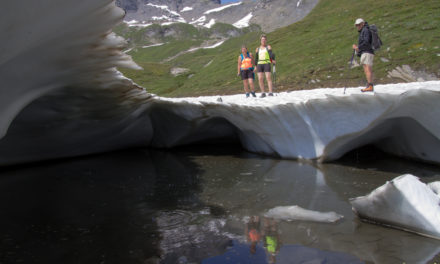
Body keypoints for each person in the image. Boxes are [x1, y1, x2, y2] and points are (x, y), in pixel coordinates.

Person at [352, 18, 375, 92]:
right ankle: (369, 85)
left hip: (367, 52)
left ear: (363, 23)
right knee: (366, 68)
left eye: (359, 25)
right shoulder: (364, 31)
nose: (358, 26)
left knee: (367, 68)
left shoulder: (365, 30)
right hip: (366, 52)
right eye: (356, 25)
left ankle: (370, 86)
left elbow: (366, 42)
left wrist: (358, 47)